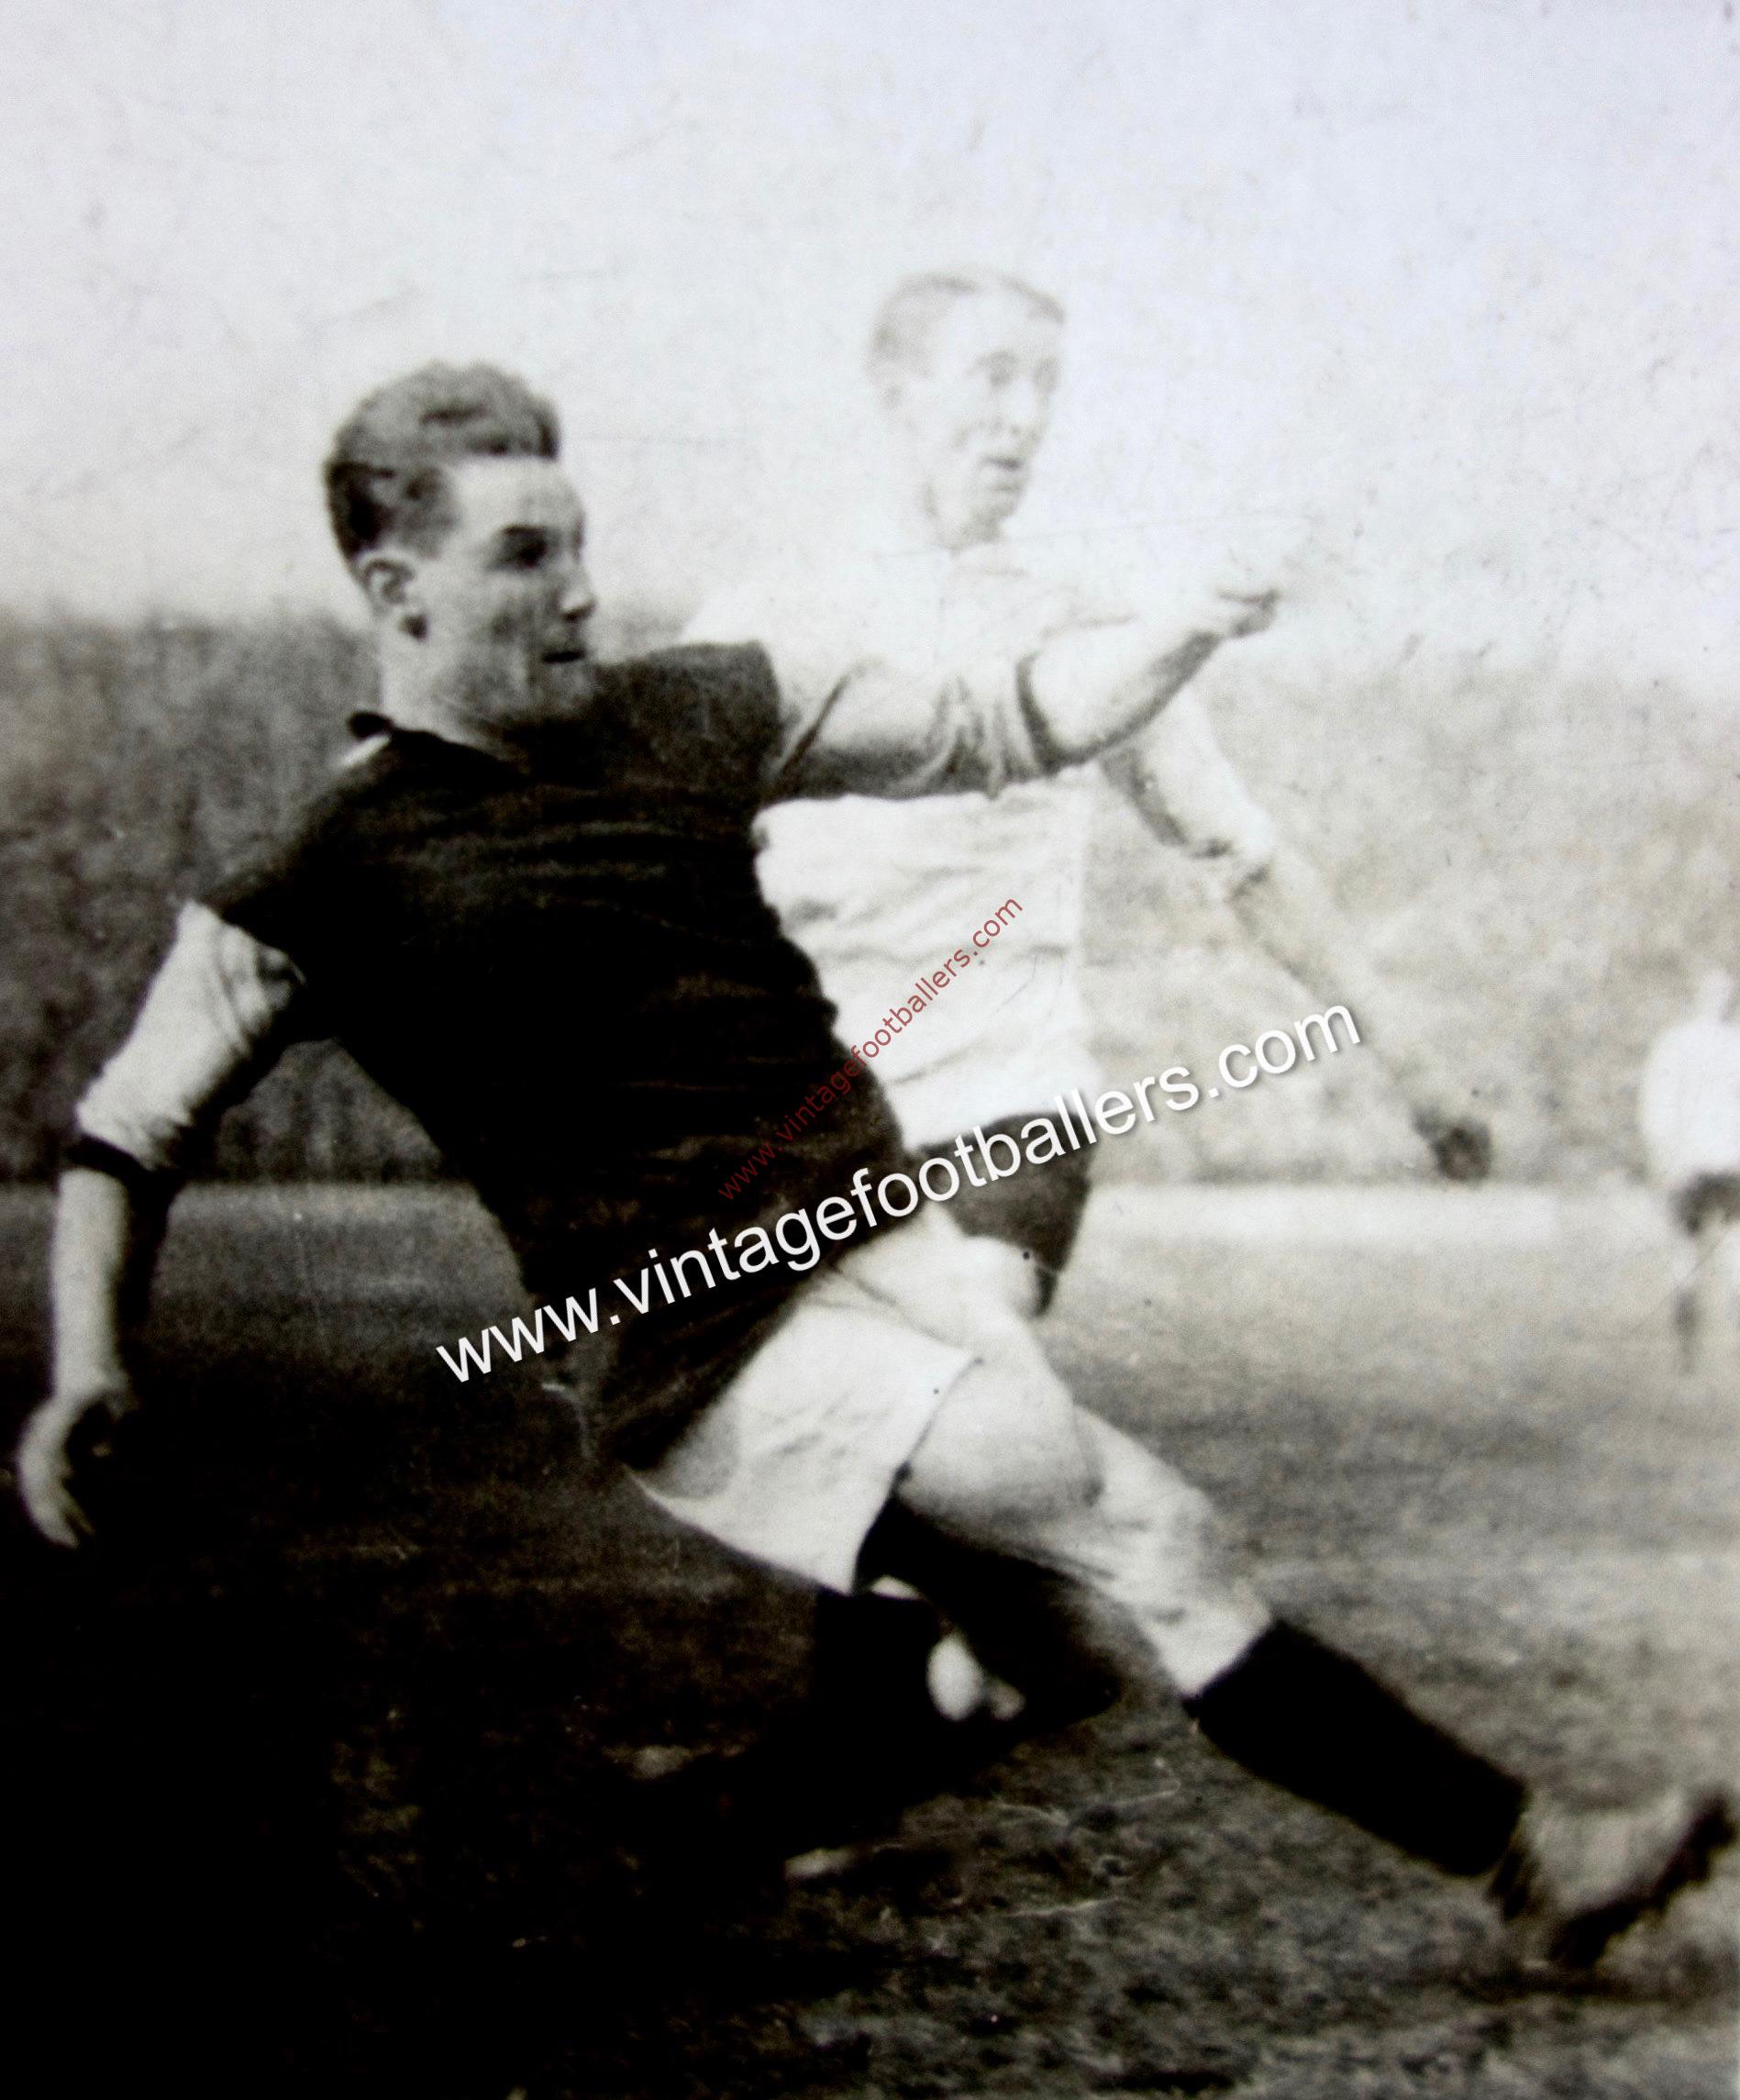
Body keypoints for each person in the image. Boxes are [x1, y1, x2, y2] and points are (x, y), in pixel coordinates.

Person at [17, 363, 1727, 1980]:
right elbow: (128, 1127)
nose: (581, 594)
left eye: (583, 546)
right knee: (1155, 1536)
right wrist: (91, 1362)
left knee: (1042, 1649)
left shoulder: (694, 706)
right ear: (396, 589)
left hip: (877, 1236)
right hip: (712, 1343)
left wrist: (1189, 621)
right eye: (524, 557)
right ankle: (1532, 1858)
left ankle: (733, 1819)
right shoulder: (315, 875)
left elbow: (1006, 716)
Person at [683, 267, 1493, 1761]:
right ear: (896, 388)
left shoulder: (1082, 617)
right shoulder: (769, 615)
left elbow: (1241, 851)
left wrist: (1407, 1053)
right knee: (897, 1433)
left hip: (1008, 1102)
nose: (1021, 416)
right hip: (823, 1122)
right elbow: (664, 855)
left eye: (1043, 383)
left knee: (960, 1364)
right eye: (989, 377)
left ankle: (976, 1679)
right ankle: (910, 1715)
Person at [1639, 967, 1740, 1373]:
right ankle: (1703, 1352)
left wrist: (1664, 1154)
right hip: (1714, 1161)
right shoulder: (1717, 1044)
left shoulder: (1678, 1044)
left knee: (1700, 1254)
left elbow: (1656, 1106)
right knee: (1712, 1253)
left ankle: (1692, 1355)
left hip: (1709, 1163)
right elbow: (1658, 1106)